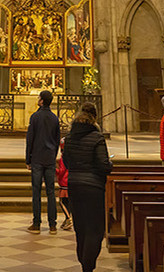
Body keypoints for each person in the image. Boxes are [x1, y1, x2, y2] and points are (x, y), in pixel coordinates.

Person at [64, 102, 111, 272]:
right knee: (95, 229)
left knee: (81, 227)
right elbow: (103, 165)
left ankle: (84, 262)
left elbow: (67, 163)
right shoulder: (97, 137)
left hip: (74, 184)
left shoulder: (69, 137)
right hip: (93, 187)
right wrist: (109, 164)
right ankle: (88, 266)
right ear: (95, 117)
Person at [25, 88, 61, 233]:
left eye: (39, 98)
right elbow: (57, 140)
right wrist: (53, 155)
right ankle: (53, 225)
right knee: (51, 192)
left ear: (41, 101)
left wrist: (28, 159)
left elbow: (30, 140)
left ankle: (36, 224)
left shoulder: (35, 117)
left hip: (37, 159)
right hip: (50, 158)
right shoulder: (54, 118)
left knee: (36, 191)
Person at [55, 138, 72, 229]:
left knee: (62, 202)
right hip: (70, 181)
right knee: (68, 202)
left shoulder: (63, 158)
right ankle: (66, 220)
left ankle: (69, 219)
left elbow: (61, 171)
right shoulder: (71, 156)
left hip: (64, 183)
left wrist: (55, 170)